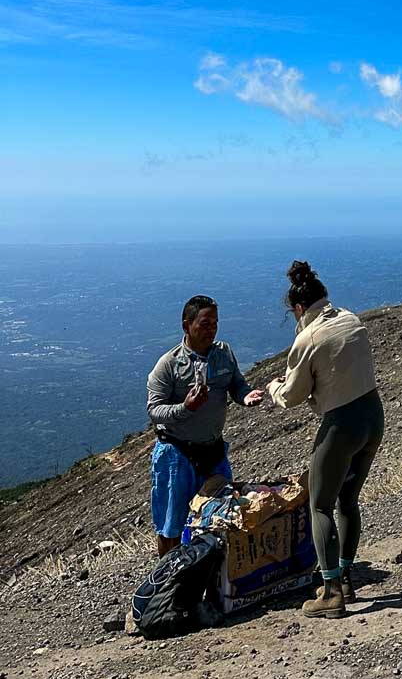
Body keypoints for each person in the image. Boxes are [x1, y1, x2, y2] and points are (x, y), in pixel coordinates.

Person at [267, 260, 384, 619]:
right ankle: (346, 577)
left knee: (319, 505)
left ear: (299, 308)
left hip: (341, 425)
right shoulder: (350, 319)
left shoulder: (308, 338)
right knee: (348, 500)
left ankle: (331, 593)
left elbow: (292, 396)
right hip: (373, 416)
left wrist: (272, 387)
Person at [147, 295, 264, 555]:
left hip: (213, 451)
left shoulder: (223, 354)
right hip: (177, 455)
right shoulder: (169, 365)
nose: (211, 329)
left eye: (215, 323)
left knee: (220, 516)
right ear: (186, 325)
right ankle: (170, 581)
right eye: (205, 323)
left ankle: (210, 580)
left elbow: (236, 384)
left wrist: (245, 396)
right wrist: (185, 408)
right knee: (171, 526)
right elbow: (154, 411)